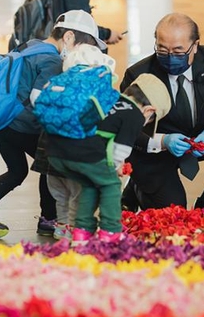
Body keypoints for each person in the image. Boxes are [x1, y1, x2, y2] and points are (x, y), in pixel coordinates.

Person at [0, 10, 105, 239]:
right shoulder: (52, 60)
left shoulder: (30, 46)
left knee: (17, 171)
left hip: (1, 124)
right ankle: (49, 220)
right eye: (83, 45)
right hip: (22, 125)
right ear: (68, 37)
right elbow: (39, 100)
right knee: (50, 165)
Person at [120, 13, 204, 213]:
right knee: (174, 212)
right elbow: (128, 128)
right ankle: (136, 185)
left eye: (178, 51)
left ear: (195, 45)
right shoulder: (138, 74)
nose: (170, 57)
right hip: (158, 148)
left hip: (197, 137)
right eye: (162, 50)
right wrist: (164, 141)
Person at [47, 67, 172, 243]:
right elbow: (121, 149)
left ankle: (82, 231)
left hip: (57, 152)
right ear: (149, 111)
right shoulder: (135, 114)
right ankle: (110, 231)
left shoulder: (109, 99)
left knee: (90, 185)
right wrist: (116, 166)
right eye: (149, 121)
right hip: (82, 152)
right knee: (111, 185)